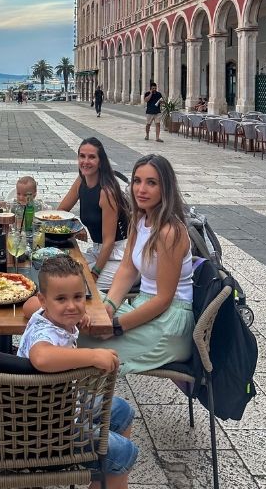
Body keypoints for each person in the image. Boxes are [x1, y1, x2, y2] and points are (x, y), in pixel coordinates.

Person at [18, 255, 138, 489]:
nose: (71, 305)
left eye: (78, 297)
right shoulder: (46, 336)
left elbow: (27, 305)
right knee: (125, 453)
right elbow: (41, 356)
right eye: (61, 299)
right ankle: (111, 464)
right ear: (44, 300)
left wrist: (70, 313)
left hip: (60, 404)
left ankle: (102, 468)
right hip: (47, 429)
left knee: (122, 411)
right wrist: (93, 355)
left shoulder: (44, 313)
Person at [79, 154, 194, 375]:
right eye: (137, 181)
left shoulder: (170, 231)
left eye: (151, 183)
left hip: (168, 324)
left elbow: (163, 299)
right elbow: (127, 268)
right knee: (73, 308)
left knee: (80, 341)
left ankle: (86, 405)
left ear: (165, 188)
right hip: (142, 307)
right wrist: (109, 307)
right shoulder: (141, 219)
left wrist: (116, 326)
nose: (141, 189)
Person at [58, 138, 130, 290]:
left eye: (91, 157)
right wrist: (76, 227)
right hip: (98, 250)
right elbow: (61, 212)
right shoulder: (81, 180)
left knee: (81, 285)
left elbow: (109, 242)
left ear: (100, 161)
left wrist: (95, 273)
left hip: (119, 256)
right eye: (82, 156)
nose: (86, 161)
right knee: (61, 271)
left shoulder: (107, 192)